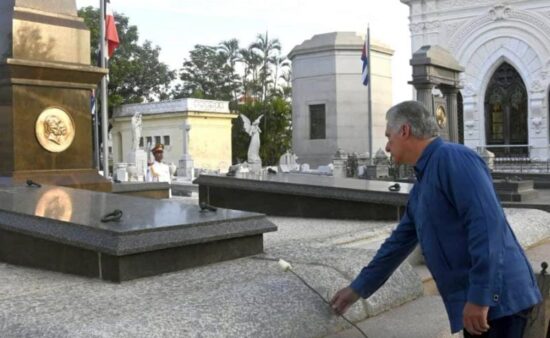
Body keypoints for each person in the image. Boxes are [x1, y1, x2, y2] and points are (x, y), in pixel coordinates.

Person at [330, 101, 541, 337]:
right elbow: (397, 244)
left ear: (405, 131)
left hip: (499, 302)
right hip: (481, 303)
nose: (387, 147)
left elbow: (487, 227)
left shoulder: (454, 158)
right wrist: (356, 290)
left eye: (389, 137)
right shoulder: (423, 185)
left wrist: (481, 297)